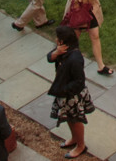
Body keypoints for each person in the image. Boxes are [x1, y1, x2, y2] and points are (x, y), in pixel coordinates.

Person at [48, 25, 95, 159]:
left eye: (58, 38)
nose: (56, 39)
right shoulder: (62, 50)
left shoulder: (75, 58)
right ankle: (74, 138)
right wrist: (56, 53)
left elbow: (79, 81)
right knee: (68, 118)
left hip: (72, 95)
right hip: (64, 91)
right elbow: (49, 58)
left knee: (75, 119)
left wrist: (64, 90)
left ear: (62, 41)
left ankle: (81, 145)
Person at [62, 0, 111, 75]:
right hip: (78, 11)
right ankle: (67, 63)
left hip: (92, 8)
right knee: (74, 39)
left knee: (95, 35)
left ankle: (101, 65)